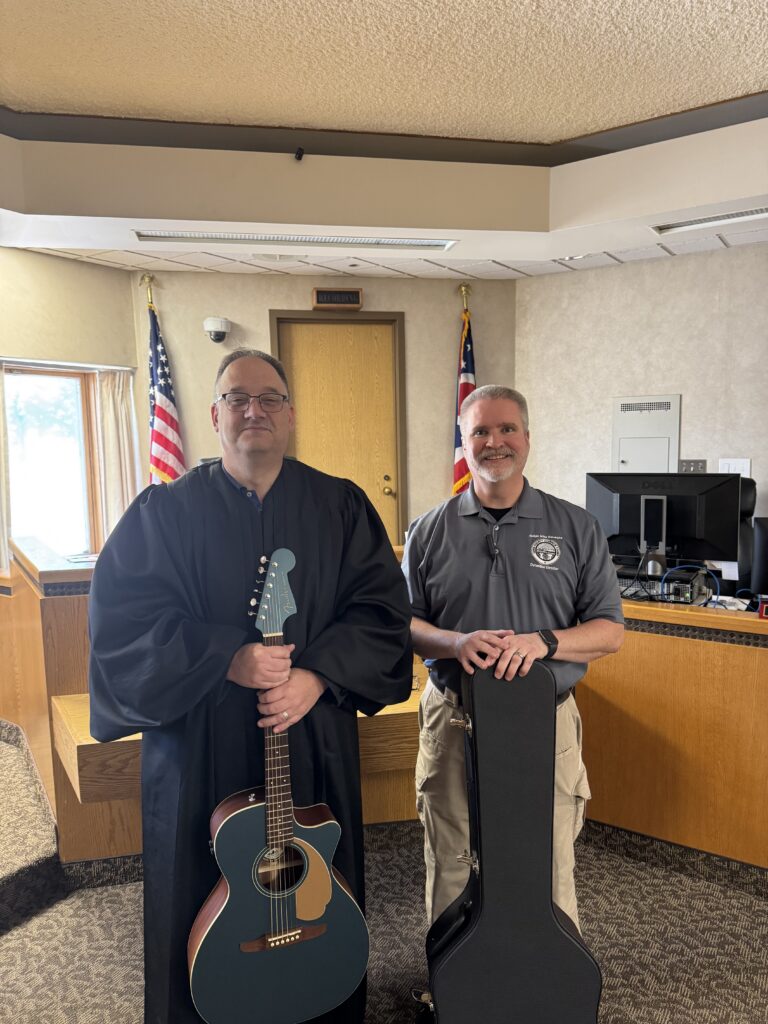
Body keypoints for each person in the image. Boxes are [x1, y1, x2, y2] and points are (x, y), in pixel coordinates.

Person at [89, 348, 413, 1024]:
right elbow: (123, 630)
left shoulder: (341, 506)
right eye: (237, 398)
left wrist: (319, 675)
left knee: (315, 894)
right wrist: (223, 658)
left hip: (310, 737)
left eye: (269, 398)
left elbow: (382, 614)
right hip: (197, 746)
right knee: (196, 894)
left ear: (290, 414)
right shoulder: (163, 514)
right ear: (213, 415)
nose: (253, 410)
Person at [402, 384, 624, 937]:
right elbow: (402, 623)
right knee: (452, 857)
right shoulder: (430, 530)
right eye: (480, 431)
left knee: (547, 859)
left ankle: (550, 987)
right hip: (454, 717)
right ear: (463, 441)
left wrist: (542, 642)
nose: (493, 442)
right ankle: (451, 986)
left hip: (545, 719)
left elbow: (609, 631)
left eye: (506, 430)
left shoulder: (575, 526)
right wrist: (454, 643)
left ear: (527, 439)